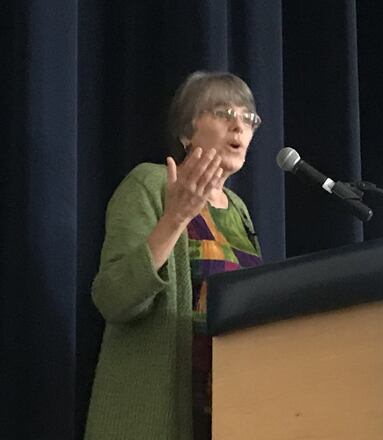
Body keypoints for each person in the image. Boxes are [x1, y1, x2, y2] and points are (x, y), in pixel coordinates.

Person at [84, 72, 263, 440]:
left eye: (248, 118)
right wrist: (176, 218)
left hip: (230, 410)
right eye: (223, 112)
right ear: (186, 131)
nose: (238, 125)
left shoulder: (239, 210)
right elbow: (113, 299)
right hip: (159, 415)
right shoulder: (149, 185)